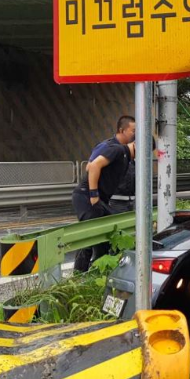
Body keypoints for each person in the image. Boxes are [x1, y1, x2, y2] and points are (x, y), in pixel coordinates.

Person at [72, 116, 135, 272]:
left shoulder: (124, 153)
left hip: (102, 199)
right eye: (133, 130)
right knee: (89, 238)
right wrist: (94, 195)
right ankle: (78, 275)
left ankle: (97, 272)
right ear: (122, 130)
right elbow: (91, 167)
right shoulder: (113, 147)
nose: (135, 134)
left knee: (104, 238)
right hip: (88, 197)